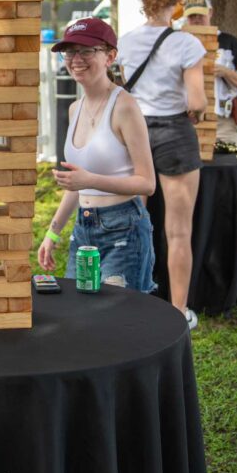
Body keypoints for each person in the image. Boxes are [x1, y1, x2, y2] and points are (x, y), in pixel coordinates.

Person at [37, 18, 156, 292]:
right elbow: (77, 184)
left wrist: (89, 179)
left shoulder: (125, 106)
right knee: (77, 315)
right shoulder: (74, 109)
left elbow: (146, 182)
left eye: (87, 51)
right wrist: (52, 233)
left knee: (119, 323)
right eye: (70, 52)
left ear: (110, 56)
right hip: (84, 228)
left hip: (124, 229)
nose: (76, 59)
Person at [117, 0, 207, 329]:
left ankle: (132, 302)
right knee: (178, 230)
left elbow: (124, 88)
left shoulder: (126, 42)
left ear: (144, 1)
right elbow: (197, 100)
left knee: (133, 225)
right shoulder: (187, 45)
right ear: (177, 2)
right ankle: (178, 311)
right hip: (174, 132)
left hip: (134, 132)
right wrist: (196, 112)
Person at [183, 0, 237, 144]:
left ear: (210, 12)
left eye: (200, 15)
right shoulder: (178, 44)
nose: (196, 20)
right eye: (192, 16)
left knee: (227, 164)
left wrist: (225, 72)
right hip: (186, 121)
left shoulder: (229, 43)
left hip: (223, 121)